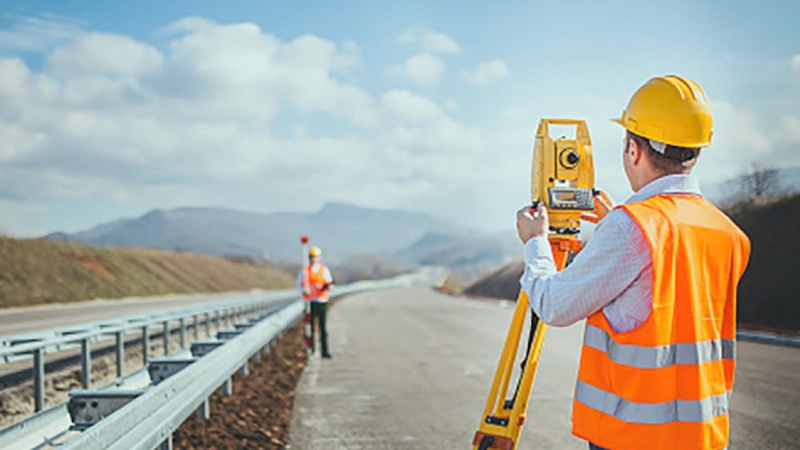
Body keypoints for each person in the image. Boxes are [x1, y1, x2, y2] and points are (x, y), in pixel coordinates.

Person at [515, 75, 750, 450]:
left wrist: (536, 242)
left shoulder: (631, 228)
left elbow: (553, 306)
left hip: (633, 437)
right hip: (702, 435)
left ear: (634, 149)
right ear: (697, 151)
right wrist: (616, 222)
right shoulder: (728, 233)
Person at [297, 245, 335, 358]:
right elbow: (299, 286)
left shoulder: (324, 270)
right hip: (310, 302)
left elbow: (330, 284)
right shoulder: (305, 271)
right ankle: (311, 350)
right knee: (310, 328)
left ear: (319, 257)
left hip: (322, 300)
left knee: (323, 328)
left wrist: (326, 287)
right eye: (312, 257)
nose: (314, 259)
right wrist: (304, 291)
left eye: (316, 257)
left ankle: (325, 351)